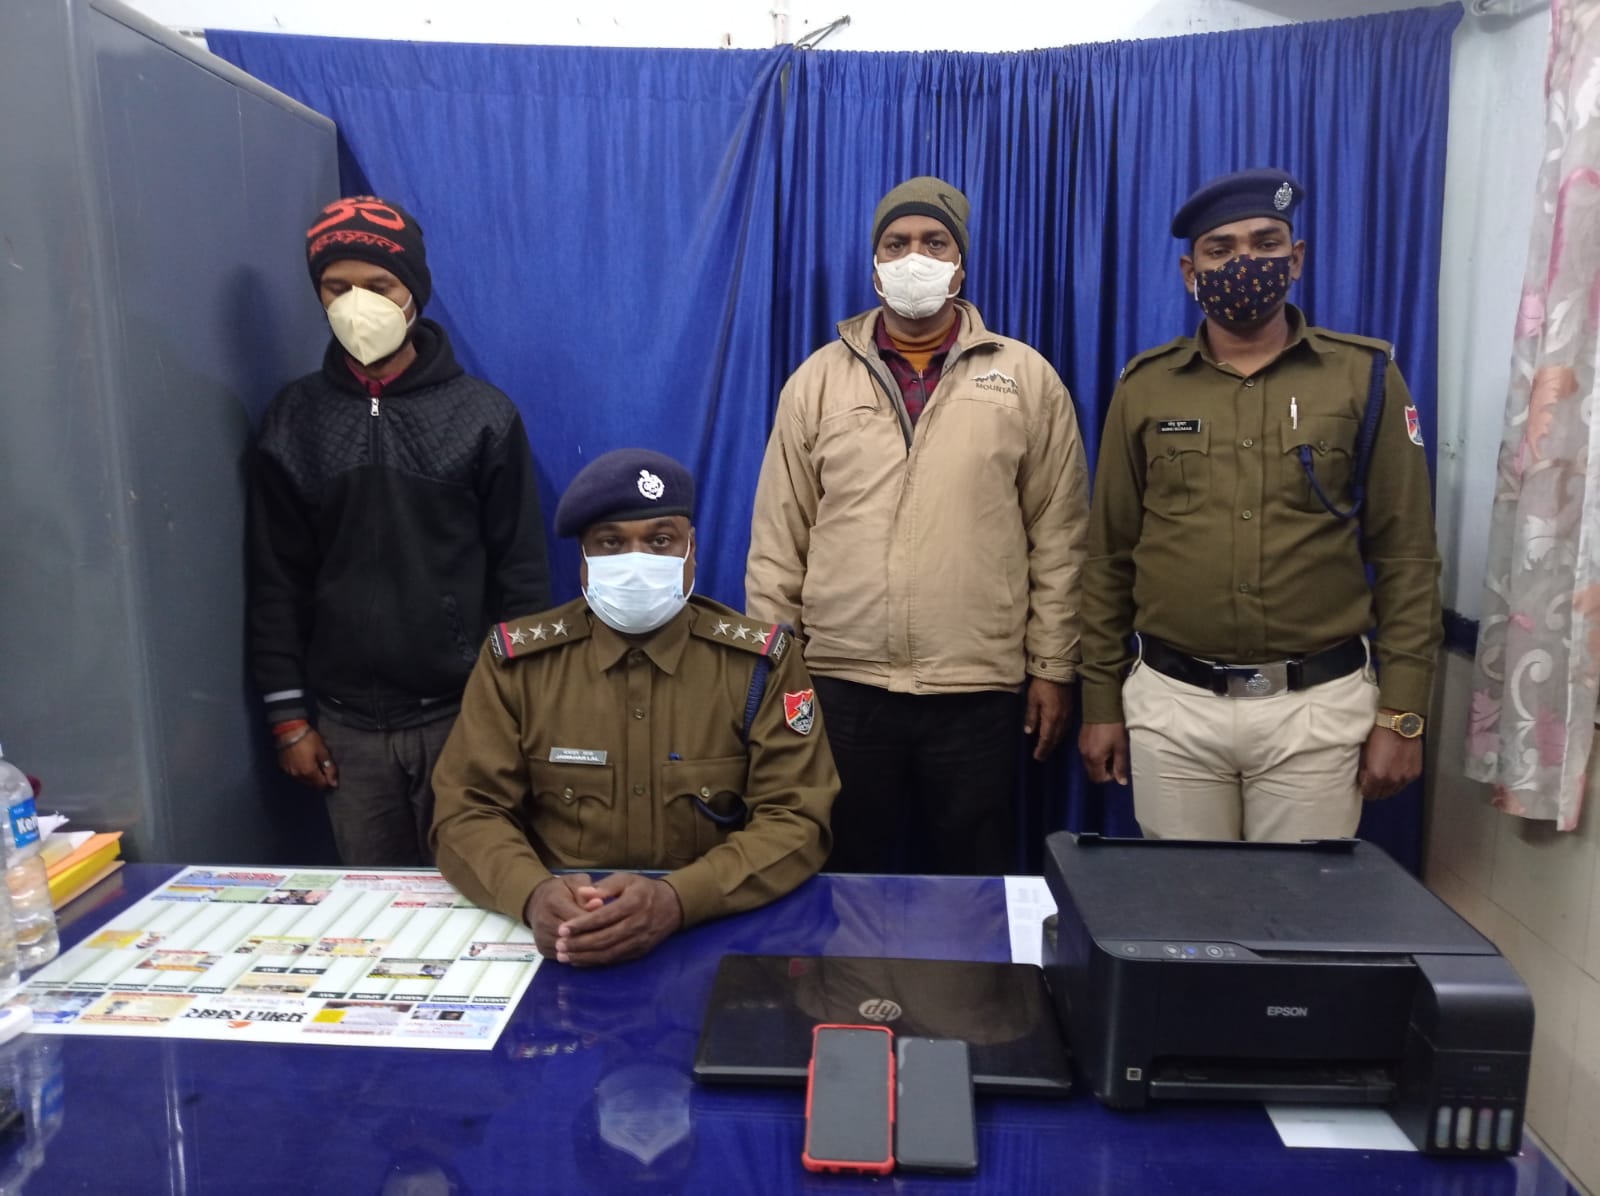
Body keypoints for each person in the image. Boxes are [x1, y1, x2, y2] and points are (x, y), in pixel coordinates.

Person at [1078, 168, 1442, 841]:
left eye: (1265, 243)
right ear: (1190, 271)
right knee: (1185, 905)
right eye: (1220, 250)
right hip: (1174, 706)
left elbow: (1407, 558)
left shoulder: (1364, 377)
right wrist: (1100, 700)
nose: (1244, 262)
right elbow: (1108, 556)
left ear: (1295, 258)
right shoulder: (1147, 386)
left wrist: (1403, 713)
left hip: (1316, 709)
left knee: (1300, 905)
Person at [746, 176, 1088, 876]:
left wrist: (1053, 668)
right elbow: (779, 538)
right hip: (841, 680)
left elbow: (1059, 538)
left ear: (961, 264)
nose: (914, 258)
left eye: (935, 243)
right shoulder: (817, 381)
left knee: (975, 874)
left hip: (978, 685)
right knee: (841, 872)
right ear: (874, 264)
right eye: (896, 243)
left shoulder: (1026, 379)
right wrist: (778, 666)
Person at [430, 449, 836, 967]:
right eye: (611, 543)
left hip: (714, 936)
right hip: (564, 934)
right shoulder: (518, 664)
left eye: (660, 541)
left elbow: (797, 817)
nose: (637, 560)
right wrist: (531, 894)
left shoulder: (760, 666)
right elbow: (467, 810)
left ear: (692, 550)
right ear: (584, 557)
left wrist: (678, 900)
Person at [249, 195, 550, 866]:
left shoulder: (482, 416)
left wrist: (515, 714)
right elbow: (275, 581)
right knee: (374, 905)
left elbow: (522, 577)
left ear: (413, 290)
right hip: (346, 728)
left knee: (476, 889)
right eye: (338, 287)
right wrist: (289, 720)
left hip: (462, 715)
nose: (359, 303)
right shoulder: (293, 421)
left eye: (379, 286)